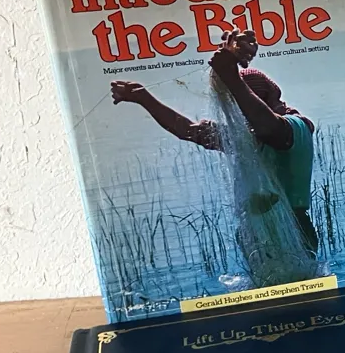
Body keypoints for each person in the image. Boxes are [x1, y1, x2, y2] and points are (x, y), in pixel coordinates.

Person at [110, 31, 320, 259]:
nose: (241, 118)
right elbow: (189, 131)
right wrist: (144, 98)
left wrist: (230, 76)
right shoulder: (243, 137)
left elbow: (269, 127)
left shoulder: (296, 128)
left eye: (243, 108)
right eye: (237, 111)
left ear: (265, 100)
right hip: (256, 236)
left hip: (295, 233)